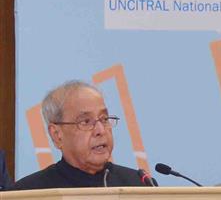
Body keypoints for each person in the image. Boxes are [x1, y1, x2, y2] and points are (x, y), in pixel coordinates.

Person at [13, 81, 151, 189]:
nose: (100, 130)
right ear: (57, 135)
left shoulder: (138, 185)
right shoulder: (28, 194)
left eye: (104, 119)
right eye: (86, 121)